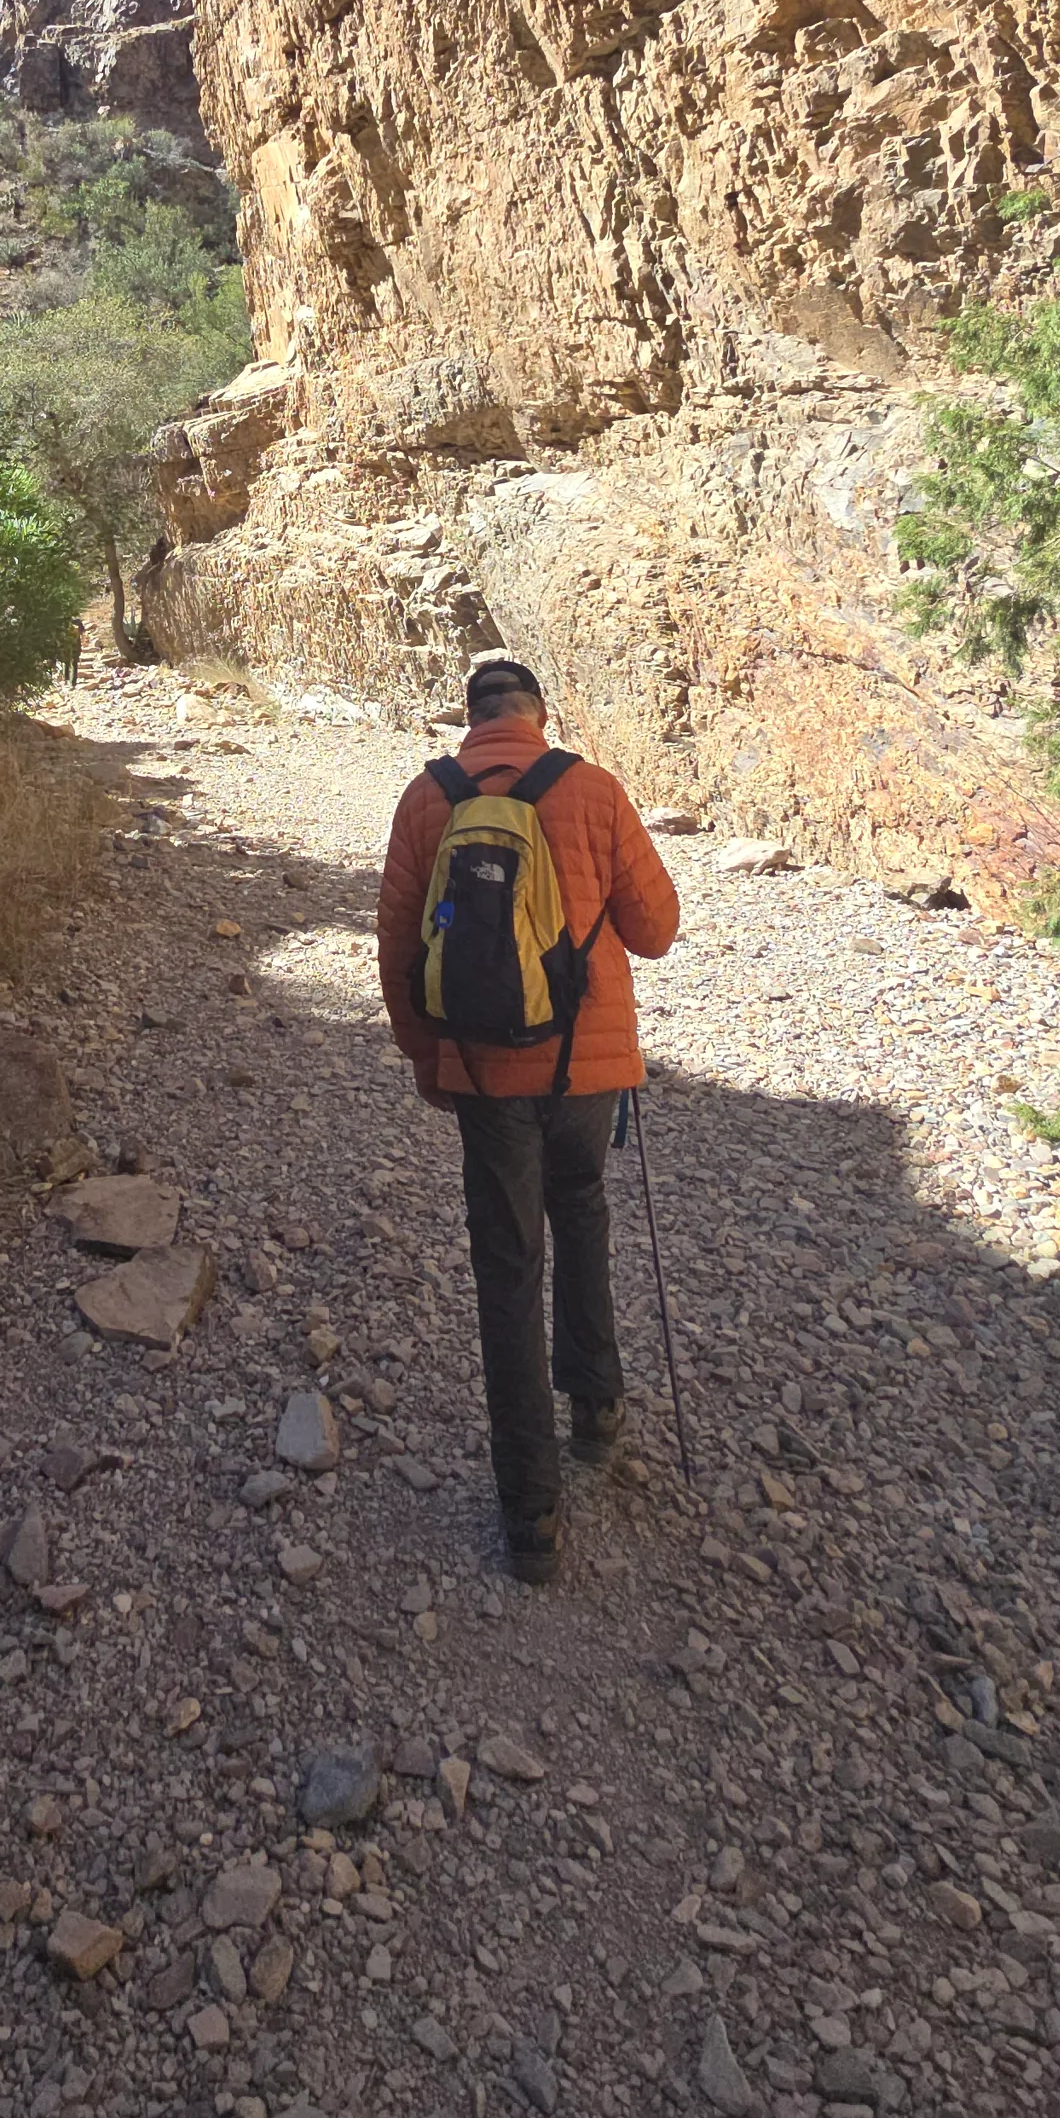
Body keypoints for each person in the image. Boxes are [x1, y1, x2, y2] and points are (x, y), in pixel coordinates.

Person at [376, 655, 680, 1584]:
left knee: (508, 1267)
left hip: (482, 1069)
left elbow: (397, 945)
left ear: (470, 718)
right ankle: (597, 1406)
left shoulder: (428, 798)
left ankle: (532, 1516)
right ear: (539, 715)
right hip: (588, 1066)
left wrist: (427, 1059)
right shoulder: (593, 790)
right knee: (581, 1209)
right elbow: (656, 930)